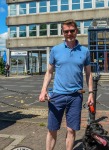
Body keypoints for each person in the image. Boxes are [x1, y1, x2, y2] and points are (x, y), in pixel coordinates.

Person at [39, 19, 94, 150]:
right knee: (52, 129)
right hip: (56, 96)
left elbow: (88, 74)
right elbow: (49, 72)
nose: (69, 33)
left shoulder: (84, 51)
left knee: (71, 130)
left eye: (72, 31)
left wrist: (91, 93)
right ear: (62, 33)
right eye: (66, 31)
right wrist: (43, 90)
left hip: (75, 97)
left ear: (76, 31)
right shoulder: (56, 50)